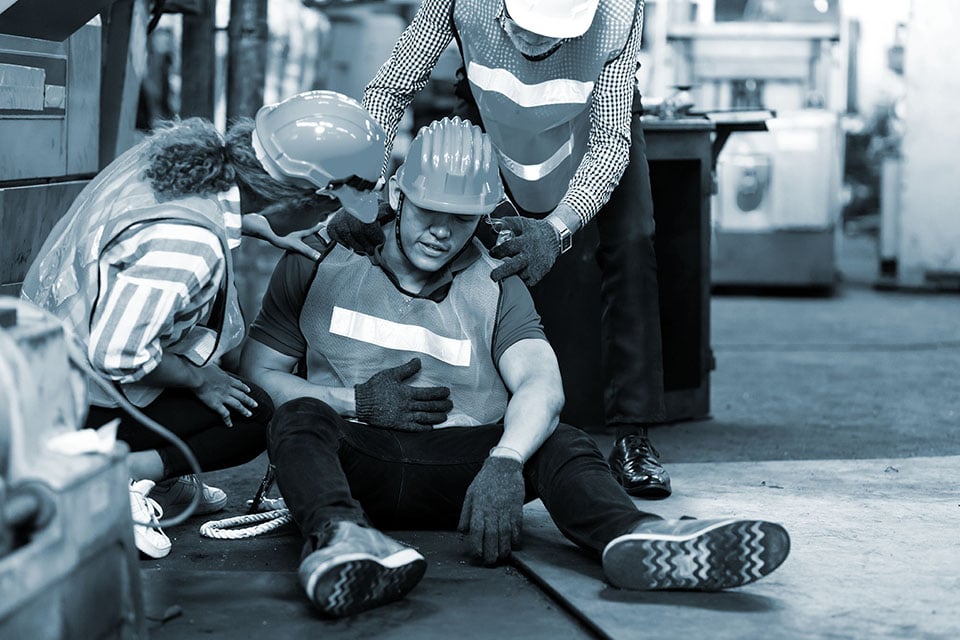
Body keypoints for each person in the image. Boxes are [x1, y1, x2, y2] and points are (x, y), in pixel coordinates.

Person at [240, 117, 789, 618]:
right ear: (395, 194)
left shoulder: (497, 281)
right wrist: (352, 403)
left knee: (562, 441)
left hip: (465, 471)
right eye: (429, 210)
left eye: (461, 218)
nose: (441, 231)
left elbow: (540, 384)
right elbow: (258, 374)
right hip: (355, 458)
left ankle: (639, 537)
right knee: (298, 418)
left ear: (483, 214)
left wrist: (505, 461)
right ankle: (342, 539)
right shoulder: (317, 261)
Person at [326, 0, 671, 498]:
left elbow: (610, 143)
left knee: (633, 245)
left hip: (589, 118)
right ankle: (476, 411)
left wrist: (555, 228)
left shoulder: (617, 11)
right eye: (527, 29)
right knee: (473, 245)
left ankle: (634, 439)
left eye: (550, 35)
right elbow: (390, 86)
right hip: (491, 105)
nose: (535, 45)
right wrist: (362, 189)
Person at [21, 90, 385, 559]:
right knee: (254, 413)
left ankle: (155, 477)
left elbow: (168, 222)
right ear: (307, 197)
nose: (328, 218)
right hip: (74, 395)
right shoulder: (187, 243)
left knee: (230, 381)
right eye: (328, 208)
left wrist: (255, 225)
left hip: (49, 360)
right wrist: (200, 378)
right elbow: (117, 354)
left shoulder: (192, 156)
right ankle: (109, 478)